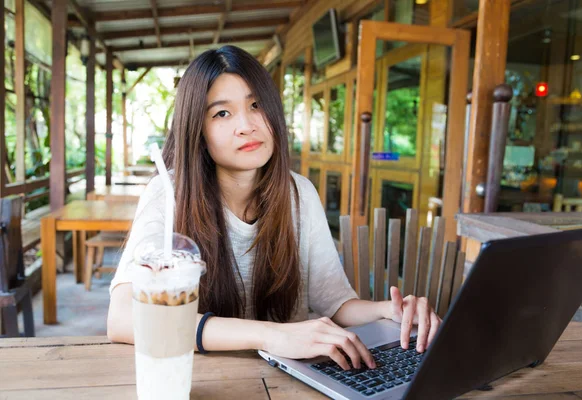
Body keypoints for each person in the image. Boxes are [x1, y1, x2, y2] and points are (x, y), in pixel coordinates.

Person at [107, 45, 441, 371]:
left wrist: (389, 310)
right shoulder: (170, 194)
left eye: (256, 105)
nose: (246, 125)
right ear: (198, 131)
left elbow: (336, 303)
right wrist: (272, 335)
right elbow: (122, 319)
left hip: (294, 380)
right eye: (222, 113)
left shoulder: (300, 194)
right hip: (204, 380)